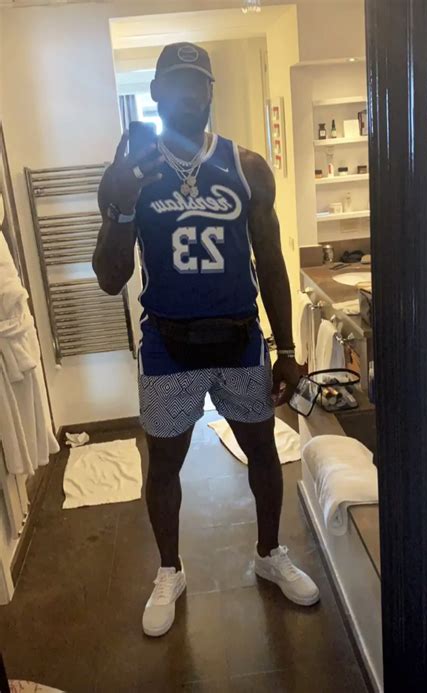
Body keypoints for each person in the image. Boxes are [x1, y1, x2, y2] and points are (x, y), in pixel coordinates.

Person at [93, 42, 319, 638]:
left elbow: (271, 262)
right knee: (164, 463)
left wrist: (288, 351)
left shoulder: (246, 167)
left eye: (199, 84)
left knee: (263, 451)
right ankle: (169, 570)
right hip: (167, 346)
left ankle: (269, 554)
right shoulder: (132, 175)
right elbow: (110, 277)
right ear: (156, 94)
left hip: (241, 339)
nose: (189, 95)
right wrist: (120, 207)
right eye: (176, 84)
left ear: (210, 93)